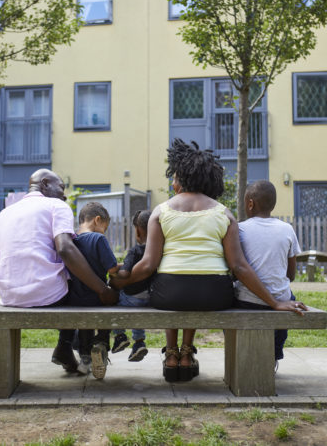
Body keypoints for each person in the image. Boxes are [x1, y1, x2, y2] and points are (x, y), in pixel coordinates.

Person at [110, 139, 307, 383]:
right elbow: (238, 266)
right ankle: (186, 354)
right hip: (215, 296)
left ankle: (172, 355)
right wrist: (274, 303)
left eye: (174, 177)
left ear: (182, 177)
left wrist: (120, 282)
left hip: (169, 295)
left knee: (169, 283)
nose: (172, 182)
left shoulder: (161, 211)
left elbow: (148, 265)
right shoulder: (224, 213)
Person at [0, 169, 118, 374]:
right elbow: (66, 249)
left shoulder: (4, 213)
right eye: (61, 188)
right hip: (46, 295)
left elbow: (4, 258)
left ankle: (66, 347)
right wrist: (103, 290)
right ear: (44, 184)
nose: (64, 195)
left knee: (68, 283)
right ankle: (79, 347)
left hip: (8, 296)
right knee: (82, 290)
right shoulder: (56, 205)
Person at [234, 180, 300, 368]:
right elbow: (291, 274)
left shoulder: (240, 229)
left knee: (231, 298)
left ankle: (240, 352)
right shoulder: (287, 229)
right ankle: (274, 355)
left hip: (247, 302)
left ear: (250, 203)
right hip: (280, 298)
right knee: (289, 297)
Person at [55, 201, 118, 379]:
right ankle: (101, 344)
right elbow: (112, 268)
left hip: (74, 299)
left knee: (84, 324)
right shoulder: (98, 239)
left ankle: (85, 359)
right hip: (98, 297)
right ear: (97, 220)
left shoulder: (71, 240)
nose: (103, 232)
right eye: (104, 227)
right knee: (112, 303)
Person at [111, 209, 152, 362]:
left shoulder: (135, 251)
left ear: (138, 230)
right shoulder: (158, 251)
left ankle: (120, 335)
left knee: (117, 300)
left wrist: (115, 274)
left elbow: (125, 274)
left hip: (131, 298)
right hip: (151, 298)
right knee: (138, 310)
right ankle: (139, 342)